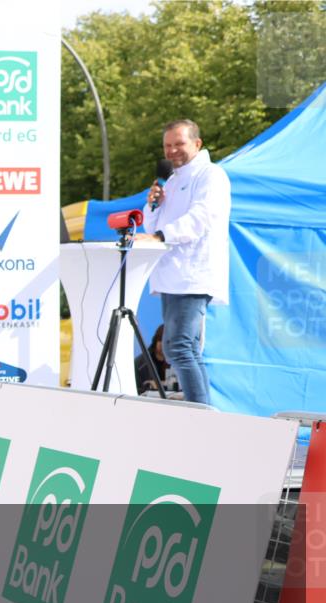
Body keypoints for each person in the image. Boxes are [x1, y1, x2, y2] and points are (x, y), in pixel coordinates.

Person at [136, 119, 230, 405]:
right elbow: (152, 225)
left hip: (193, 274)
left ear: (197, 143)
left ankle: (200, 411)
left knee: (178, 346)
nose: (172, 151)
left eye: (179, 143)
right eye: (167, 146)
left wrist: (161, 234)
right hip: (170, 276)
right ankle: (201, 408)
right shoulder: (171, 180)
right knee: (181, 347)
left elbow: (201, 218)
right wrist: (153, 204)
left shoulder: (211, 175)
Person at [134, 324, 170, 394]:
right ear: (156, 340)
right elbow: (136, 389)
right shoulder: (140, 364)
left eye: (169, 342)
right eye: (162, 341)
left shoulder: (175, 362)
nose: (165, 346)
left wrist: (160, 384)